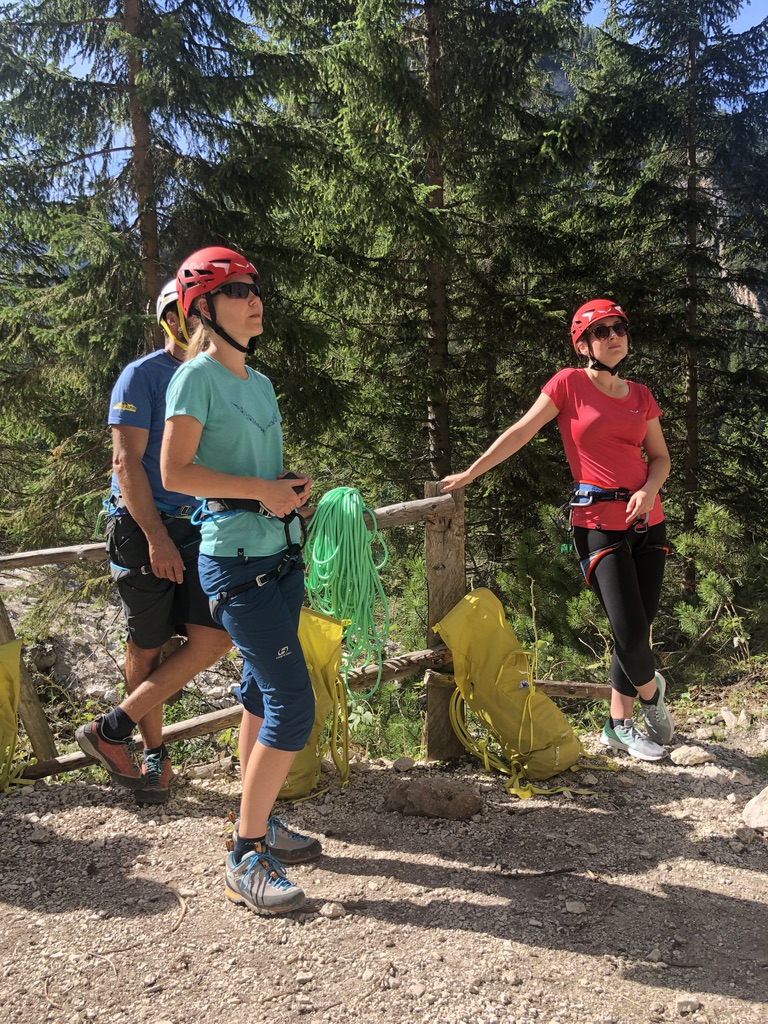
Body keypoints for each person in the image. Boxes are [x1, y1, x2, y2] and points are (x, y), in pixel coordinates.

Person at [441, 298, 675, 761]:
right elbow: (520, 431)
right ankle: (653, 694)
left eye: (618, 329)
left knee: (637, 629)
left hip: (649, 521)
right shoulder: (568, 384)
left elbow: (660, 458)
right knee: (628, 633)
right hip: (596, 524)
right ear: (583, 343)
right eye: (601, 331)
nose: (613, 337)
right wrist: (471, 473)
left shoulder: (641, 395)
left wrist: (649, 490)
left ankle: (617, 724)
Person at [161, 245, 321, 916]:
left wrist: (289, 491)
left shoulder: (258, 382)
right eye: (237, 291)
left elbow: (260, 477)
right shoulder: (194, 379)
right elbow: (175, 473)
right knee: (293, 704)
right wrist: (260, 491)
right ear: (204, 309)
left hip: (279, 556)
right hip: (235, 562)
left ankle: (262, 821)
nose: (254, 300)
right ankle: (243, 855)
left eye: (254, 288)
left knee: (260, 694)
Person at [76, 281, 232, 803]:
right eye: (177, 313)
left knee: (212, 637)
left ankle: (112, 728)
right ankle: (154, 757)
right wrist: (157, 538)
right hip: (144, 527)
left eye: (193, 313)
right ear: (168, 318)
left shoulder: (217, 376)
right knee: (147, 644)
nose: (188, 323)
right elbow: (126, 464)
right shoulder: (141, 376)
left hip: (201, 524)